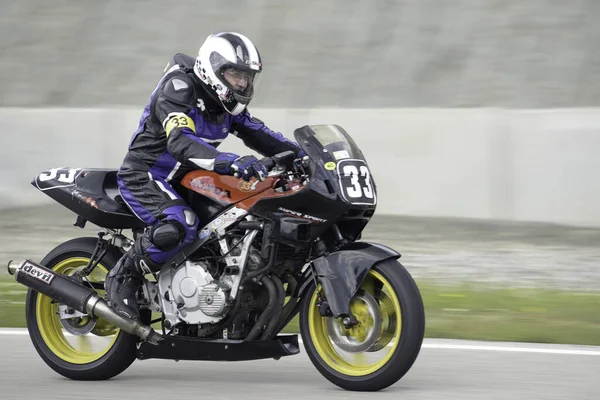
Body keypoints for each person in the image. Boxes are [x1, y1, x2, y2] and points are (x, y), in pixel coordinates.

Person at [104, 32, 305, 320]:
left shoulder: (226, 105)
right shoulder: (179, 89)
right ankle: (123, 276)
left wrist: (303, 156)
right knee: (179, 225)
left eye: (247, 76)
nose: (242, 82)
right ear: (214, 68)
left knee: (238, 220)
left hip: (189, 177)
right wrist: (229, 161)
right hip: (147, 173)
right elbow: (180, 141)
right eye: (235, 73)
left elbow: (262, 134)